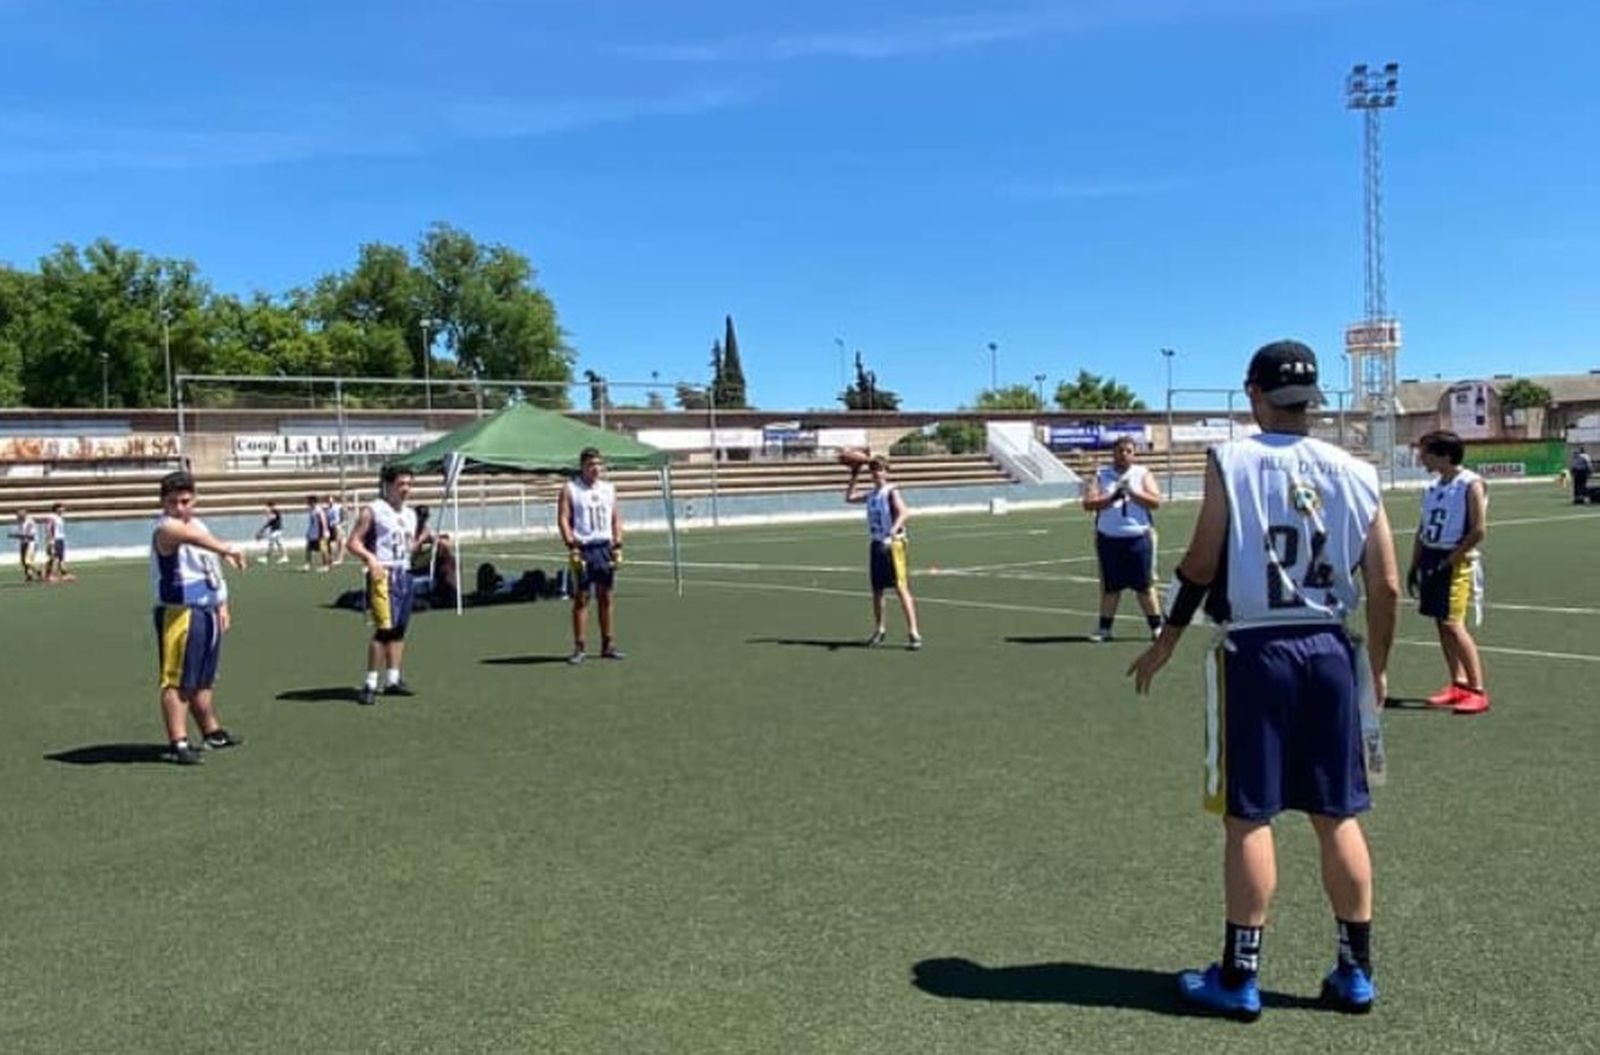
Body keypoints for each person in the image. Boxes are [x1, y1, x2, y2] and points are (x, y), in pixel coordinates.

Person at [1127, 339, 1400, 1021]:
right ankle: (1356, 971)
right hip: (1331, 650)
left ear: (1254, 393)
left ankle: (1239, 974)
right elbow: (1387, 583)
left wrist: (1166, 640)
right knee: (1337, 813)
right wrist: (1378, 667)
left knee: (1249, 815)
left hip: (1258, 650)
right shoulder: (1357, 471)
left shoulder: (1233, 459)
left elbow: (1200, 562)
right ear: (1314, 398)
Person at [150, 471, 247, 765]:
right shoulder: (166, 527)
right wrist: (226, 547)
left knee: (203, 678)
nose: (180, 508)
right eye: (173, 502)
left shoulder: (200, 526)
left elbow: (210, 567)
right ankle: (177, 742)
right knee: (178, 680)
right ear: (163, 503)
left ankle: (211, 731)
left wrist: (222, 603)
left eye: (185, 501)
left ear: (195, 499)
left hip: (207, 611)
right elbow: (189, 537)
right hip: (180, 611)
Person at [1408, 430, 1490, 715]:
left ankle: (1477, 690)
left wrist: (1452, 559)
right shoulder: (1431, 488)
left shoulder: (1470, 484)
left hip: (1454, 560)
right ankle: (1458, 683)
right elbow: (1422, 528)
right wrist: (1415, 563)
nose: (1421, 458)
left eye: (1426, 453)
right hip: (1431, 556)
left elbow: (1478, 530)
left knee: (1453, 623)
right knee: (1441, 624)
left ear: (1443, 455)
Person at [346, 465, 420, 705]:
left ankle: (393, 679)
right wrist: (370, 559)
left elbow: (407, 546)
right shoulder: (373, 511)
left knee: (399, 629)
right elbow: (353, 542)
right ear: (388, 485)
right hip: (382, 575)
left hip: (404, 573)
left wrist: (423, 541)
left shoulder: (410, 514)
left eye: (409, 484)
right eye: (401, 484)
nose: (405, 489)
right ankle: (370, 683)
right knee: (383, 630)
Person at [1081, 436, 1163, 642]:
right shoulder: (1101, 474)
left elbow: (1155, 502)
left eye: (1128, 451)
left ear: (1134, 454)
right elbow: (1088, 503)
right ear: (1113, 453)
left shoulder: (1142, 473)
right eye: (1120, 451)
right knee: (1110, 587)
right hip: (1109, 538)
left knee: (1144, 586)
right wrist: (1112, 498)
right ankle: (1104, 629)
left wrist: (1132, 493)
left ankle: (1156, 627)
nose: (1124, 455)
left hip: (1138, 537)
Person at [844, 455, 923, 650]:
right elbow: (849, 498)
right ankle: (880, 629)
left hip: (893, 545)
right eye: (873, 470)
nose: (876, 473)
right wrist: (854, 475)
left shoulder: (891, 491)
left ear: (886, 471)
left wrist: (893, 530)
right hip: (877, 543)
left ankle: (913, 632)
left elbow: (904, 512)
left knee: (901, 587)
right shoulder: (872, 495)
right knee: (877, 590)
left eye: (880, 469)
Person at [559, 447, 625, 663]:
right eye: (590, 465)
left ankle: (608, 644)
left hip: (605, 547)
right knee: (582, 597)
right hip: (584, 548)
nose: (595, 468)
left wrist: (618, 544)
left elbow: (616, 518)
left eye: (598, 464)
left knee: (606, 596)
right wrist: (571, 545)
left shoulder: (608, 489)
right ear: (582, 467)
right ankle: (580, 647)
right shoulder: (570, 489)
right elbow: (563, 519)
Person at [43, 503, 71, 581]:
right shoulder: (51, 517)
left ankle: (64, 574)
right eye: (61, 508)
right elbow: (49, 529)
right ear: (57, 509)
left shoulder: (60, 517)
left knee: (61, 557)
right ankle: (49, 575)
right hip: (55, 539)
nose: (63, 509)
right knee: (54, 558)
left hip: (60, 539)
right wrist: (50, 540)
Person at [11, 509, 40, 583]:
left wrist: (16, 536)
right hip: (24, 542)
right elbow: (22, 533)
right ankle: (29, 575)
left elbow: (31, 536)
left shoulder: (30, 522)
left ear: (25, 514)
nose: (18, 516)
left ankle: (39, 571)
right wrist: (18, 536)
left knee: (28, 561)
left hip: (31, 543)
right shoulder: (19, 522)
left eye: (19, 514)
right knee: (23, 561)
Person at [302, 494, 329, 573]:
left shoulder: (318, 510)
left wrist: (324, 531)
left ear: (312, 501)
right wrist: (309, 532)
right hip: (313, 533)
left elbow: (323, 521)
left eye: (308, 501)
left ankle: (326, 566)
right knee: (308, 548)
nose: (307, 502)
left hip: (320, 533)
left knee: (323, 549)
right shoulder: (312, 510)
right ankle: (308, 564)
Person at [324, 494, 346, 565]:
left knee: (340, 542)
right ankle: (332, 558)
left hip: (337, 525)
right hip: (331, 527)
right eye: (328, 500)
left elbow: (343, 514)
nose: (330, 501)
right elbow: (327, 519)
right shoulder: (328, 510)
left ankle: (340, 559)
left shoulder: (337, 507)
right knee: (332, 543)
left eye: (331, 499)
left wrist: (342, 522)